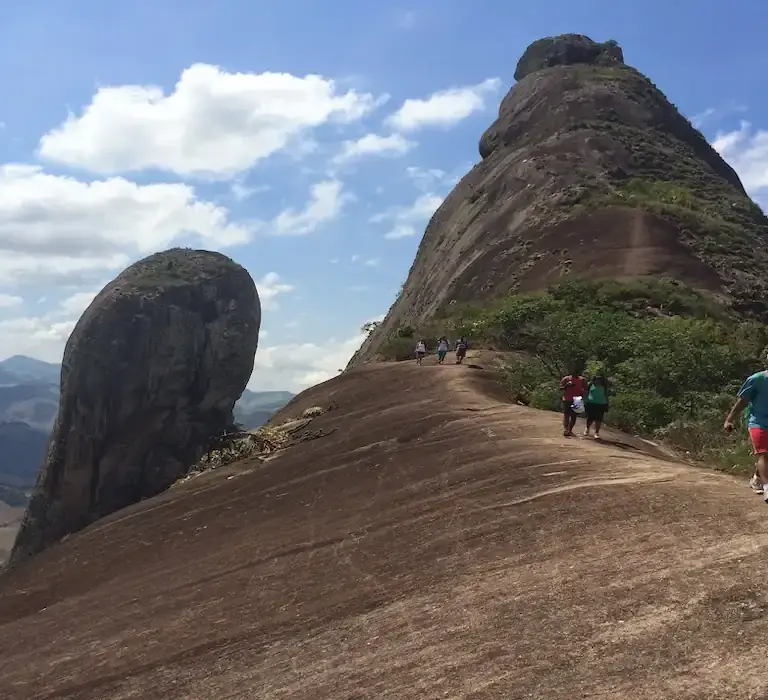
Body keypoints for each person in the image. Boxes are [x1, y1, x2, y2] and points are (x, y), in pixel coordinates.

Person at [724, 359, 768, 502]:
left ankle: (757, 477)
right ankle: (767, 487)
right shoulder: (757, 379)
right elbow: (742, 401)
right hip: (758, 422)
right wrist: (729, 419)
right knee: (764, 455)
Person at [559, 369, 588, 437]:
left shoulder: (583, 380)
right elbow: (560, 388)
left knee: (574, 416)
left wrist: (583, 394)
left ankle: (570, 430)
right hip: (567, 399)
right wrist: (566, 386)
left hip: (577, 399)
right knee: (566, 415)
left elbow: (586, 390)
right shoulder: (566, 379)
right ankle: (566, 430)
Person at [583, 374, 609, 439]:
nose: (598, 381)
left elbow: (606, 395)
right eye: (597, 380)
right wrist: (584, 401)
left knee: (598, 419)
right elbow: (586, 393)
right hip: (591, 403)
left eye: (600, 380)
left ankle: (596, 432)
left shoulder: (604, 386)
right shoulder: (590, 385)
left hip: (601, 404)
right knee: (590, 418)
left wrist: (607, 403)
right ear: (594, 380)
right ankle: (587, 428)